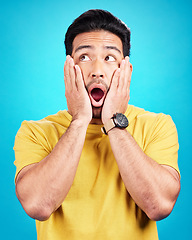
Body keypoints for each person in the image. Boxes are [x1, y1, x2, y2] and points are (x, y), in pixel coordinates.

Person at [14, 9, 180, 240]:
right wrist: (80, 119)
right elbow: (38, 206)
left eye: (110, 58)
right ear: (68, 70)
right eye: (84, 57)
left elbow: (159, 206)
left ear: (126, 71)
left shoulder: (157, 125)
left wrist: (113, 121)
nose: (97, 71)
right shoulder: (36, 132)